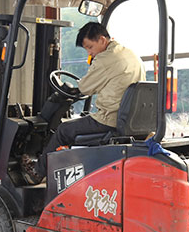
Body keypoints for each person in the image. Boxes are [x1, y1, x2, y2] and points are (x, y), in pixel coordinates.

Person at [24, 22, 146, 184]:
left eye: (90, 47)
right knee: (81, 119)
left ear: (102, 40)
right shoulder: (129, 54)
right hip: (131, 120)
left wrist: (74, 89)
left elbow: (85, 87)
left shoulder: (105, 59)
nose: (89, 52)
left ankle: (37, 173)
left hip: (110, 120)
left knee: (63, 130)